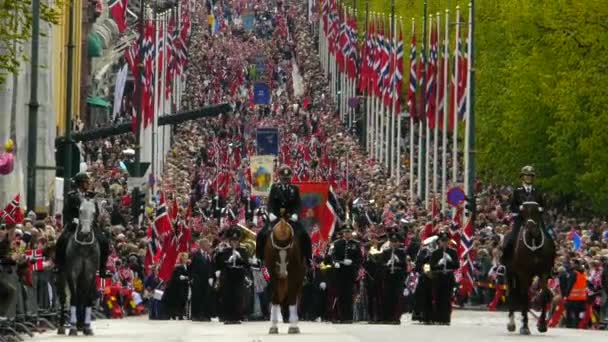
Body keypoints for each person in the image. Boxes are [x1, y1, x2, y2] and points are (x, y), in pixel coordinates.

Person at [256, 165, 312, 267]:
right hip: (276, 218)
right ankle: (259, 258)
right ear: (280, 177)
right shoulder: (274, 188)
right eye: (283, 178)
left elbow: (298, 204)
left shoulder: (295, 189)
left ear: (290, 178)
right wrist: (271, 213)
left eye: (287, 178)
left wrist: (295, 214)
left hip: (290, 218)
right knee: (261, 234)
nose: (285, 180)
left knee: (304, 235)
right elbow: (271, 203)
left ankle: (308, 259)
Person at [55, 172, 110, 276]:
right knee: (61, 241)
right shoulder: (72, 196)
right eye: (86, 182)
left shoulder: (91, 196)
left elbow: (96, 211)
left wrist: (95, 219)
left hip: (90, 224)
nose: (88, 184)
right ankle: (59, 265)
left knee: (104, 241)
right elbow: (66, 212)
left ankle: (102, 268)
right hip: (74, 224)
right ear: (80, 183)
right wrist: (74, 220)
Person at [500, 165, 548, 265]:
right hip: (521, 219)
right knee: (512, 238)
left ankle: (550, 264)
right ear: (522, 177)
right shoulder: (517, 191)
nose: (528, 178)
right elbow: (512, 206)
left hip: (535, 219)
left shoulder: (538, 191)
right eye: (526, 176)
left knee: (548, 237)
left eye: (530, 176)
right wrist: (519, 209)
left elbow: (544, 205)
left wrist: (540, 209)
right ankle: (505, 262)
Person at [216, 226, 249, 324]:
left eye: (236, 241)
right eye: (232, 241)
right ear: (229, 241)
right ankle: (227, 317)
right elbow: (219, 263)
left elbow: (247, 264)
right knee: (227, 296)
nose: (234, 243)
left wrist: (240, 259)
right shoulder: (224, 251)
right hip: (228, 276)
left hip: (238, 276)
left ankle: (237, 317)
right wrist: (228, 260)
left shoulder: (243, 251)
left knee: (238, 296)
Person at [329, 224, 362, 323]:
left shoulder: (356, 244)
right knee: (340, 294)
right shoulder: (337, 243)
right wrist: (335, 263)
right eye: (345, 232)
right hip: (340, 272)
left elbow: (360, 258)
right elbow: (332, 255)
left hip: (350, 272)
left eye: (349, 232)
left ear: (351, 233)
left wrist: (353, 263)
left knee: (349, 295)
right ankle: (341, 316)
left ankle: (349, 317)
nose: (347, 234)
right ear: (343, 233)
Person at [430, 231, 460, 325]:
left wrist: (450, 261)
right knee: (437, 298)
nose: (444, 243)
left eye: (446, 241)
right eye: (443, 241)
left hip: (448, 277)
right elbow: (431, 266)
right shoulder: (435, 253)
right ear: (439, 242)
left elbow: (457, 266)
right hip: (438, 277)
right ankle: (437, 318)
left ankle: (446, 319)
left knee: (447, 299)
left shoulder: (453, 252)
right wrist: (439, 263)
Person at [380, 230, 408, 324]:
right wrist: (387, 264)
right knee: (388, 297)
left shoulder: (402, 253)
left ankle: (396, 317)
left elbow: (404, 266)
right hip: (388, 276)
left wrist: (398, 261)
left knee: (397, 297)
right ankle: (387, 317)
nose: (394, 244)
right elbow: (381, 265)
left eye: (396, 242)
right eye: (392, 242)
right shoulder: (385, 252)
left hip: (398, 276)